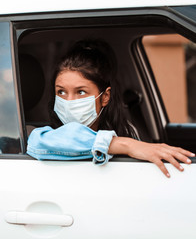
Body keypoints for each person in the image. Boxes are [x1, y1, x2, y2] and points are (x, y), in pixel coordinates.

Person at [27, 39, 195, 178]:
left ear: (105, 97)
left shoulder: (128, 131)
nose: (69, 101)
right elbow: (38, 142)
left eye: (81, 92)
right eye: (61, 92)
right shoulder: (38, 134)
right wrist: (125, 145)